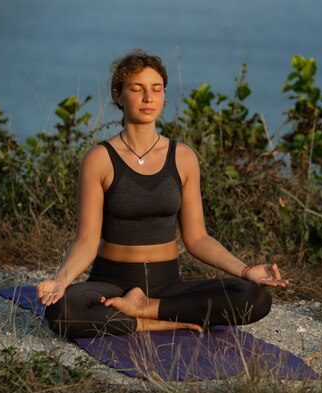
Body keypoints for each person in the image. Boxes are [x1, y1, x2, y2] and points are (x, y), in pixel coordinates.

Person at [36, 49, 287, 339]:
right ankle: (152, 321)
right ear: (118, 95)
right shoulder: (99, 159)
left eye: (156, 89)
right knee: (62, 310)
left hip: (167, 283)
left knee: (254, 297)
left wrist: (246, 271)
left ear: (164, 96)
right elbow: (86, 240)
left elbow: (197, 239)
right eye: (137, 89)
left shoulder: (183, 157)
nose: (148, 98)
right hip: (112, 281)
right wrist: (60, 281)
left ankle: (147, 308)